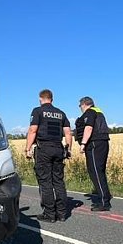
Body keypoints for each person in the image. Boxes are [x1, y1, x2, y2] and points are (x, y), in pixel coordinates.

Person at [25, 89, 72, 222]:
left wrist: (27, 149)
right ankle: (62, 214)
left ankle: (50, 214)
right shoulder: (61, 113)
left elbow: (33, 130)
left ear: (41, 98)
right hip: (58, 148)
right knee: (58, 181)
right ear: (52, 99)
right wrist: (68, 149)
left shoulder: (38, 111)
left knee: (45, 182)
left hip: (44, 148)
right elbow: (68, 133)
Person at [76, 96, 112, 211]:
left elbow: (88, 128)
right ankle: (104, 196)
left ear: (84, 104)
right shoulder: (98, 111)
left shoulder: (90, 112)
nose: (80, 108)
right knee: (99, 171)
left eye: (80, 106)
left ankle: (104, 202)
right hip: (103, 142)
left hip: (94, 144)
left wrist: (83, 144)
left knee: (95, 171)